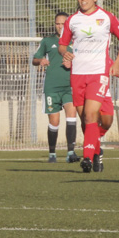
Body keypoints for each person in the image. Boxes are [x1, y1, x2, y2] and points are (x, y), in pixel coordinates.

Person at [58, 0, 119, 174]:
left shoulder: (106, 17)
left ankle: (87, 158)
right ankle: (96, 153)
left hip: (98, 74)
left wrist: (117, 64)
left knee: (92, 116)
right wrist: (66, 53)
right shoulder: (72, 20)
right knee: (85, 120)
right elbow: (62, 45)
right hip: (77, 75)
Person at [33, 12, 78, 163]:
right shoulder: (47, 41)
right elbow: (34, 59)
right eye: (57, 24)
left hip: (70, 86)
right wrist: (40, 61)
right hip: (52, 87)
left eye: (63, 24)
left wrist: (72, 64)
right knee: (54, 121)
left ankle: (71, 153)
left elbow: (84, 61)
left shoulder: (76, 41)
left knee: (72, 115)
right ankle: (52, 154)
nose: (60, 26)